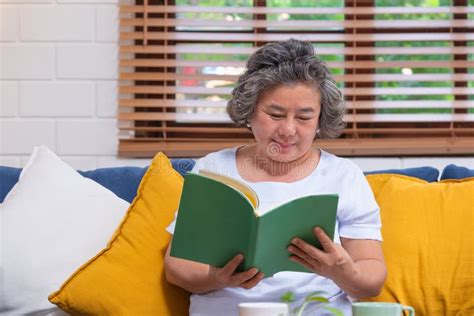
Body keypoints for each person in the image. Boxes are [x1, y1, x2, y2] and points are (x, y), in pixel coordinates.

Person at [164, 38, 386, 315]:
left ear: (320, 120)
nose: (288, 130)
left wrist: (343, 272)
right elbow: (176, 268)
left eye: (304, 118)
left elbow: (372, 279)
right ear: (250, 111)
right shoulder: (214, 169)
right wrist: (217, 277)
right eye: (275, 114)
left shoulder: (344, 176)